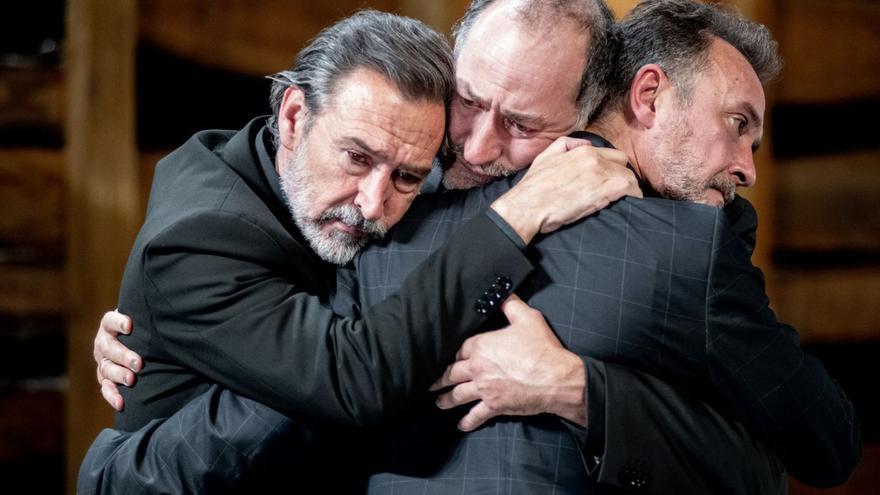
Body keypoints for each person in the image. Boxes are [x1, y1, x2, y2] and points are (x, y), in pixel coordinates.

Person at [88, 0, 860, 493]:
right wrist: (170, 328)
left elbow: (787, 458)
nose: (479, 145)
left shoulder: (681, 250)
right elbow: (324, 360)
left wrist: (576, 388)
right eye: (468, 102)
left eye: (523, 125)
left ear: (585, 113)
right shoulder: (395, 174)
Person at [77, 9, 639, 493]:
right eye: (356, 158)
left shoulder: (422, 151)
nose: (373, 204)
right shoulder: (196, 239)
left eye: (406, 177)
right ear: (294, 117)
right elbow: (351, 379)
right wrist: (516, 216)